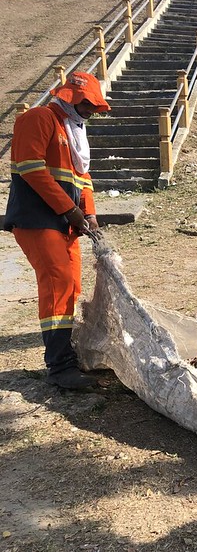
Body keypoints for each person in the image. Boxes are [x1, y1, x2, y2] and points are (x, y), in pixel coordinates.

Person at [3, 72, 110, 391]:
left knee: (72, 285)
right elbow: (31, 169)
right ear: (69, 97)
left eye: (94, 106)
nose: (91, 111)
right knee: (58, 283)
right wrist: (71, 210)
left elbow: (83, 178)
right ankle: (59, 367)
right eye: (86, 104)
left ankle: (66, 356)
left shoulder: (74, 132)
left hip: (64, 223)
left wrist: (88, 213)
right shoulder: (38, 118)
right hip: (38, 219)